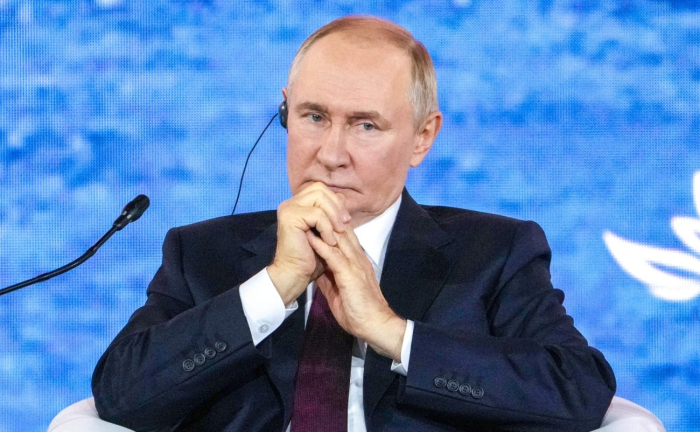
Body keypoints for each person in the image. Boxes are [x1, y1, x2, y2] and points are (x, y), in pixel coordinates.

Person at [92, 15, 616, 432]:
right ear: (285, 114)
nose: (331, 154)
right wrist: (271, 289)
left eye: (365, 125)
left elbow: (579, 389)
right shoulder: (202, 252)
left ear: (422, 138)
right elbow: (119, 395)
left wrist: (392, 333)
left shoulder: (495, 252)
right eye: (314, 117)